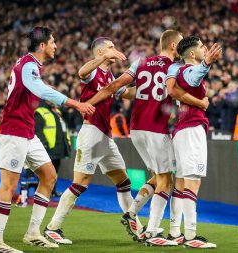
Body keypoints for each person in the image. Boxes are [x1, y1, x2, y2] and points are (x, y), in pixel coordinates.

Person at [86, 30, 208, 246]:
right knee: (166, 180)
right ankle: (153, 231)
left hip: (136, 128)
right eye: (179, 45)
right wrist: (201, 102)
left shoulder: (141, 63)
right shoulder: (175, 68)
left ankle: (132, 212)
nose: (181, 50)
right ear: (173, 47)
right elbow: (177, 92)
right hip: (155, 127)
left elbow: (117, 88)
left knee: (160, 175)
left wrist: (89, 103)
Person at [0, 26, 95, 253]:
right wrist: (76, 104)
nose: (56, 46)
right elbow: (36, 87)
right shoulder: (28, 64)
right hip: (14, 129)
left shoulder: (30, 65)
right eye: (53, 42)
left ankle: (33, 233)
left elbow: (37, 87)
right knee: (9, 185)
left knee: (49, 175)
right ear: (43, 45)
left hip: (27, 130)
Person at [44, 37, 138, 245]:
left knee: (123, 181)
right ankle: (53, 227)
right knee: (81, 183)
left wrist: (149, 87)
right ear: (100, 52)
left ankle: (136, 226)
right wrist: (105, 57)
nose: (115, 50)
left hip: (105, 136)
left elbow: (127, 93)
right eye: (111, 47)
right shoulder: (94, 71)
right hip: (91, 133)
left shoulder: (110, 75)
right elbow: (82, 72)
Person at [170, 36, 220, 249]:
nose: (204, 48)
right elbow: (192, 78)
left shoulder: (180, 71)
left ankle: (174, 232)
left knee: (180, 183)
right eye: (201, 47)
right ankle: (191, 237)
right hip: (191, 129)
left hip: (182, 130)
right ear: (191, 54)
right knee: (192, 182)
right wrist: (207, 63)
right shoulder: (187, 70)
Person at [35, 100, 72, 197]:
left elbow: (66, 119)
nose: (53, 97)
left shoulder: (56, 111)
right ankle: (43, 193)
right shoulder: (39, 112)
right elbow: (38, 131)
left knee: (55, 173)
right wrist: (45, 145)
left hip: (58, 148)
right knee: (45, 173)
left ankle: (52, 191)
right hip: (48, 148)